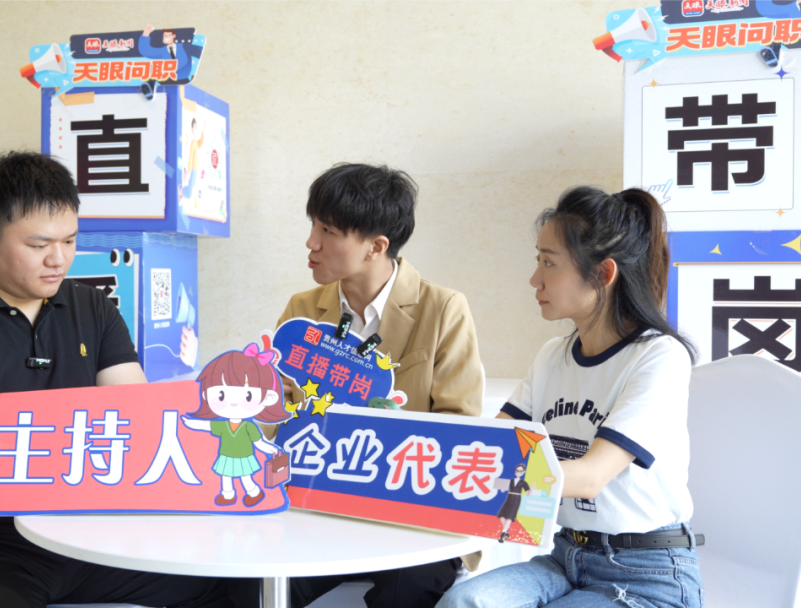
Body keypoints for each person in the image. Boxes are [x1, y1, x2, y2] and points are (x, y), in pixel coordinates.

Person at [0, 151, 234, 608]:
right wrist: (88, 433)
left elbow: (140, 430)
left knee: (242, 580)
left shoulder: (93, 307)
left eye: (70, 240)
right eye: (39, 245)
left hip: (89, 532)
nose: (59, 259)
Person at [438, 186, 704, 608]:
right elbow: (493, 446)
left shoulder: (660, 356)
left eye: (548, 262)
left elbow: (591, 476)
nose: (535, 279)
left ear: (603, 273)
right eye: (538, 260)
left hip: (649, 575)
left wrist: (482, 476)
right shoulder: (553, 356)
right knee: (463, 602)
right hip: (565, 557)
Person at [275, 163, 485, 608]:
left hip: (412, 512)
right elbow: (279, 413)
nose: (311, 242)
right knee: (254, 581)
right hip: (320, 503)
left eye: (328, 230)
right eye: (313, 225)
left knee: (410, 585)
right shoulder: (302, 310)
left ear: (376, 246)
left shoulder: (442, 307)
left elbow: (460, 422)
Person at [182, 342, 289, 507]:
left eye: (248, 396)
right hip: (225, 457)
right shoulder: (222, 425)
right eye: (221, 395)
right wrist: (191, 423)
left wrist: (272, 449)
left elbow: (259, 442)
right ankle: (228, 495)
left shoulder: (249, 426)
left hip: (244, 457)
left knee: (246, 477)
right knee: (225, 477)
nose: (232, 402)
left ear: (269, 398)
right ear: (205, 395)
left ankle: (254, 492)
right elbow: (206, 426)